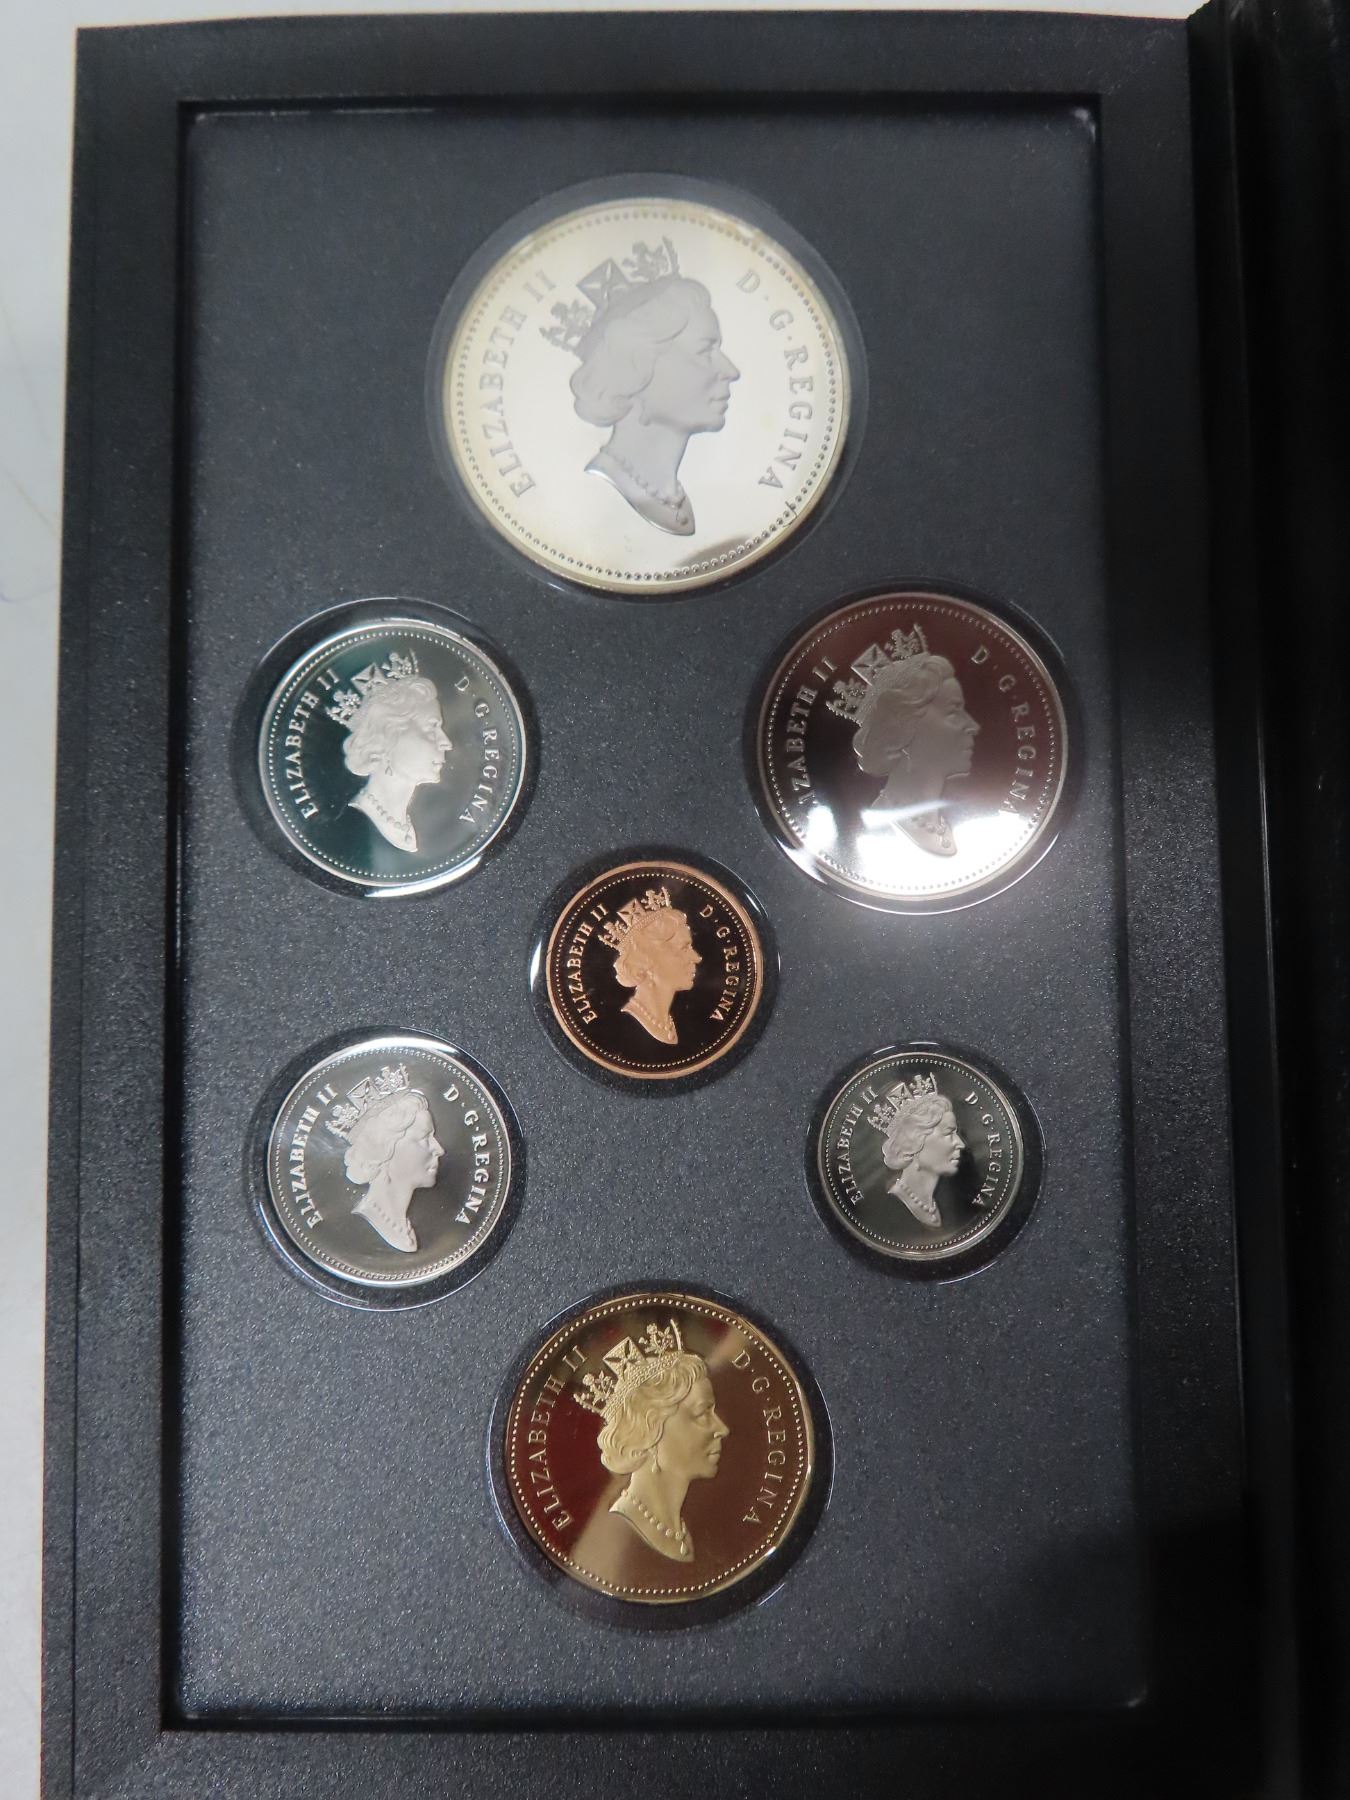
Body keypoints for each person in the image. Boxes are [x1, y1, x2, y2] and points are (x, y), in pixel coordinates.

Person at [569, 273, 739, 537]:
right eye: (705, 351)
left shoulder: (671, 494)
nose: (731, 371)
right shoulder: (591, 503)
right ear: (635, 367)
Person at [575, 1321, 729, 1563]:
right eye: (702, 1413)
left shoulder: (686, 1527)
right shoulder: (615, 1542)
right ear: (650, 1432)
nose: (722, 1429)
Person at [852, 653, 979, 857]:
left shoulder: (941, 826)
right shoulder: (881, 843)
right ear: (903, 729)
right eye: (953, 712)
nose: (973, 726)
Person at [339, 672, 451, 854]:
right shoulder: (347, 831)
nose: (446, 743)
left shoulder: (414, 822)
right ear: (388, 736)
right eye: (432, 728)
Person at [339, 1083, 444, 1253]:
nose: (439, 1150)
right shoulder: (359, 1229)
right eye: (424, 1137)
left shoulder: (403, 1226)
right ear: (386, 1149)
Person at [606, 897, 700, 1045]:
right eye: (684, 948)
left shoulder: (669, 1022)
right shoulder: (624, 1026)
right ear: (648, 960)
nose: (696, 958)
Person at [876, 1083, 965, 1229]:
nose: (961, 1144)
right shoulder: (885, 1212)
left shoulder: (950, 1204)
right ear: (914, 1141)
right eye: (949, 1133)